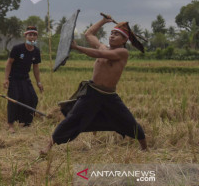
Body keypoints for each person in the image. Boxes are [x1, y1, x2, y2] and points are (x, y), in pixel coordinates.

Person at [40, 14, 147, 155]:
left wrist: (77, 48)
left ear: (125, 39)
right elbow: (89, 34)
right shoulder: (103, 47)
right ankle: (48, 146)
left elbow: (97, 53)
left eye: (117, 34)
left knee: (129, 121)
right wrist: (103, 21)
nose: (112, 36)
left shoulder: (122, 52)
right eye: (111, 33)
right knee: (72, 119)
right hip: (92, 93)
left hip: (109, 96)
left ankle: (145, 148)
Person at [4, 26, 44, 133]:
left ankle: (25, 123)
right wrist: (6, 79)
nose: (32, 37)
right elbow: (9, 63)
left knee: (32, 99)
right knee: (14, 100)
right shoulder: (17, 48)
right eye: (30, 35)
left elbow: (35, 67)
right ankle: (11, 125)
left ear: (36, 37)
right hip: (14, 79)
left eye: (34, 35)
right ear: (25, 36)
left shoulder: (36, 51)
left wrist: (38, 82)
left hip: (25, 79)